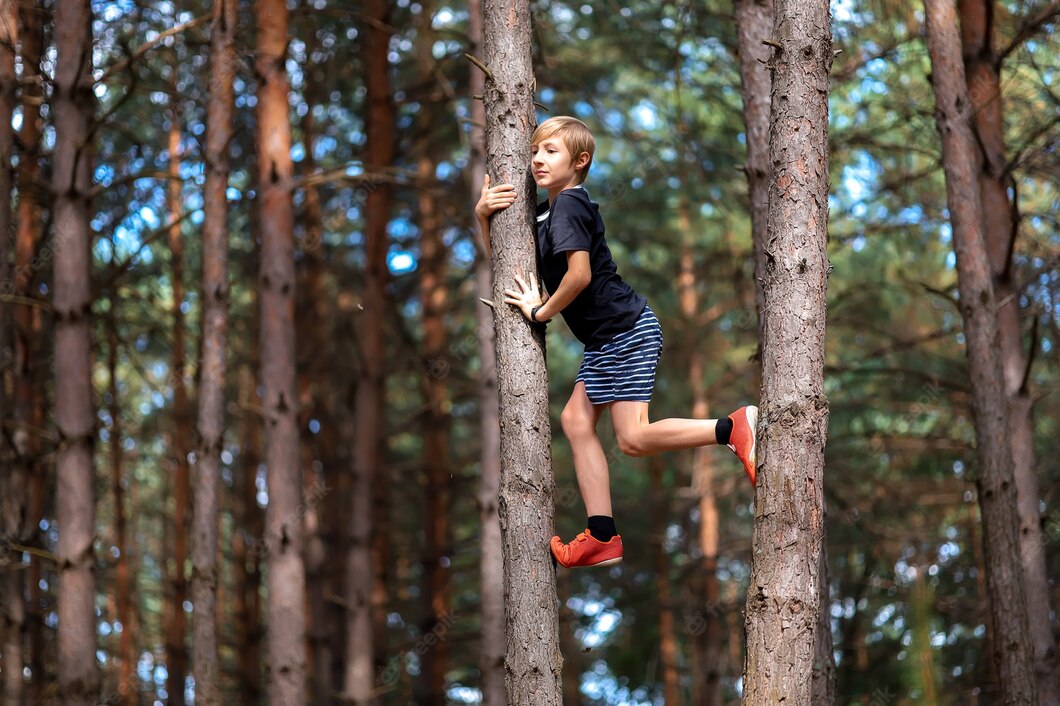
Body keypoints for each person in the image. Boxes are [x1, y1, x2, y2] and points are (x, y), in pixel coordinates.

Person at [475, 116, 758, 569]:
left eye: (551, 151)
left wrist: (540, 312)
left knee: (632, 438)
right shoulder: (547, 213)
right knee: (576, 420)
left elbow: (579, 275)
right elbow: (510, 266)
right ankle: (602, 537)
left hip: (624, 329)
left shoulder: (569, 204)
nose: (537, 160)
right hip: (606, 338)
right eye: (534, 151)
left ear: (580, 161)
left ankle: (732, 427)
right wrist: (483, 217)